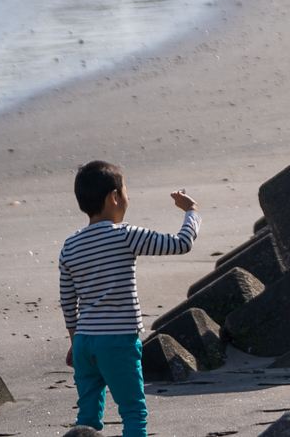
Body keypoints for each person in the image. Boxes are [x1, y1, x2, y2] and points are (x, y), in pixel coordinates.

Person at [58, 161, 198, 437]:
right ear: (114, 197)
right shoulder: (126, 235)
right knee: (133, 412)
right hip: (117, 341)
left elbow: (67, 300)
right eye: (126, 193)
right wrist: (191, 211)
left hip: (85, 342)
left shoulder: (70, 246)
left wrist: (75, 341)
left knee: (87, 414)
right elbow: (181, 243)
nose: (127, 199)